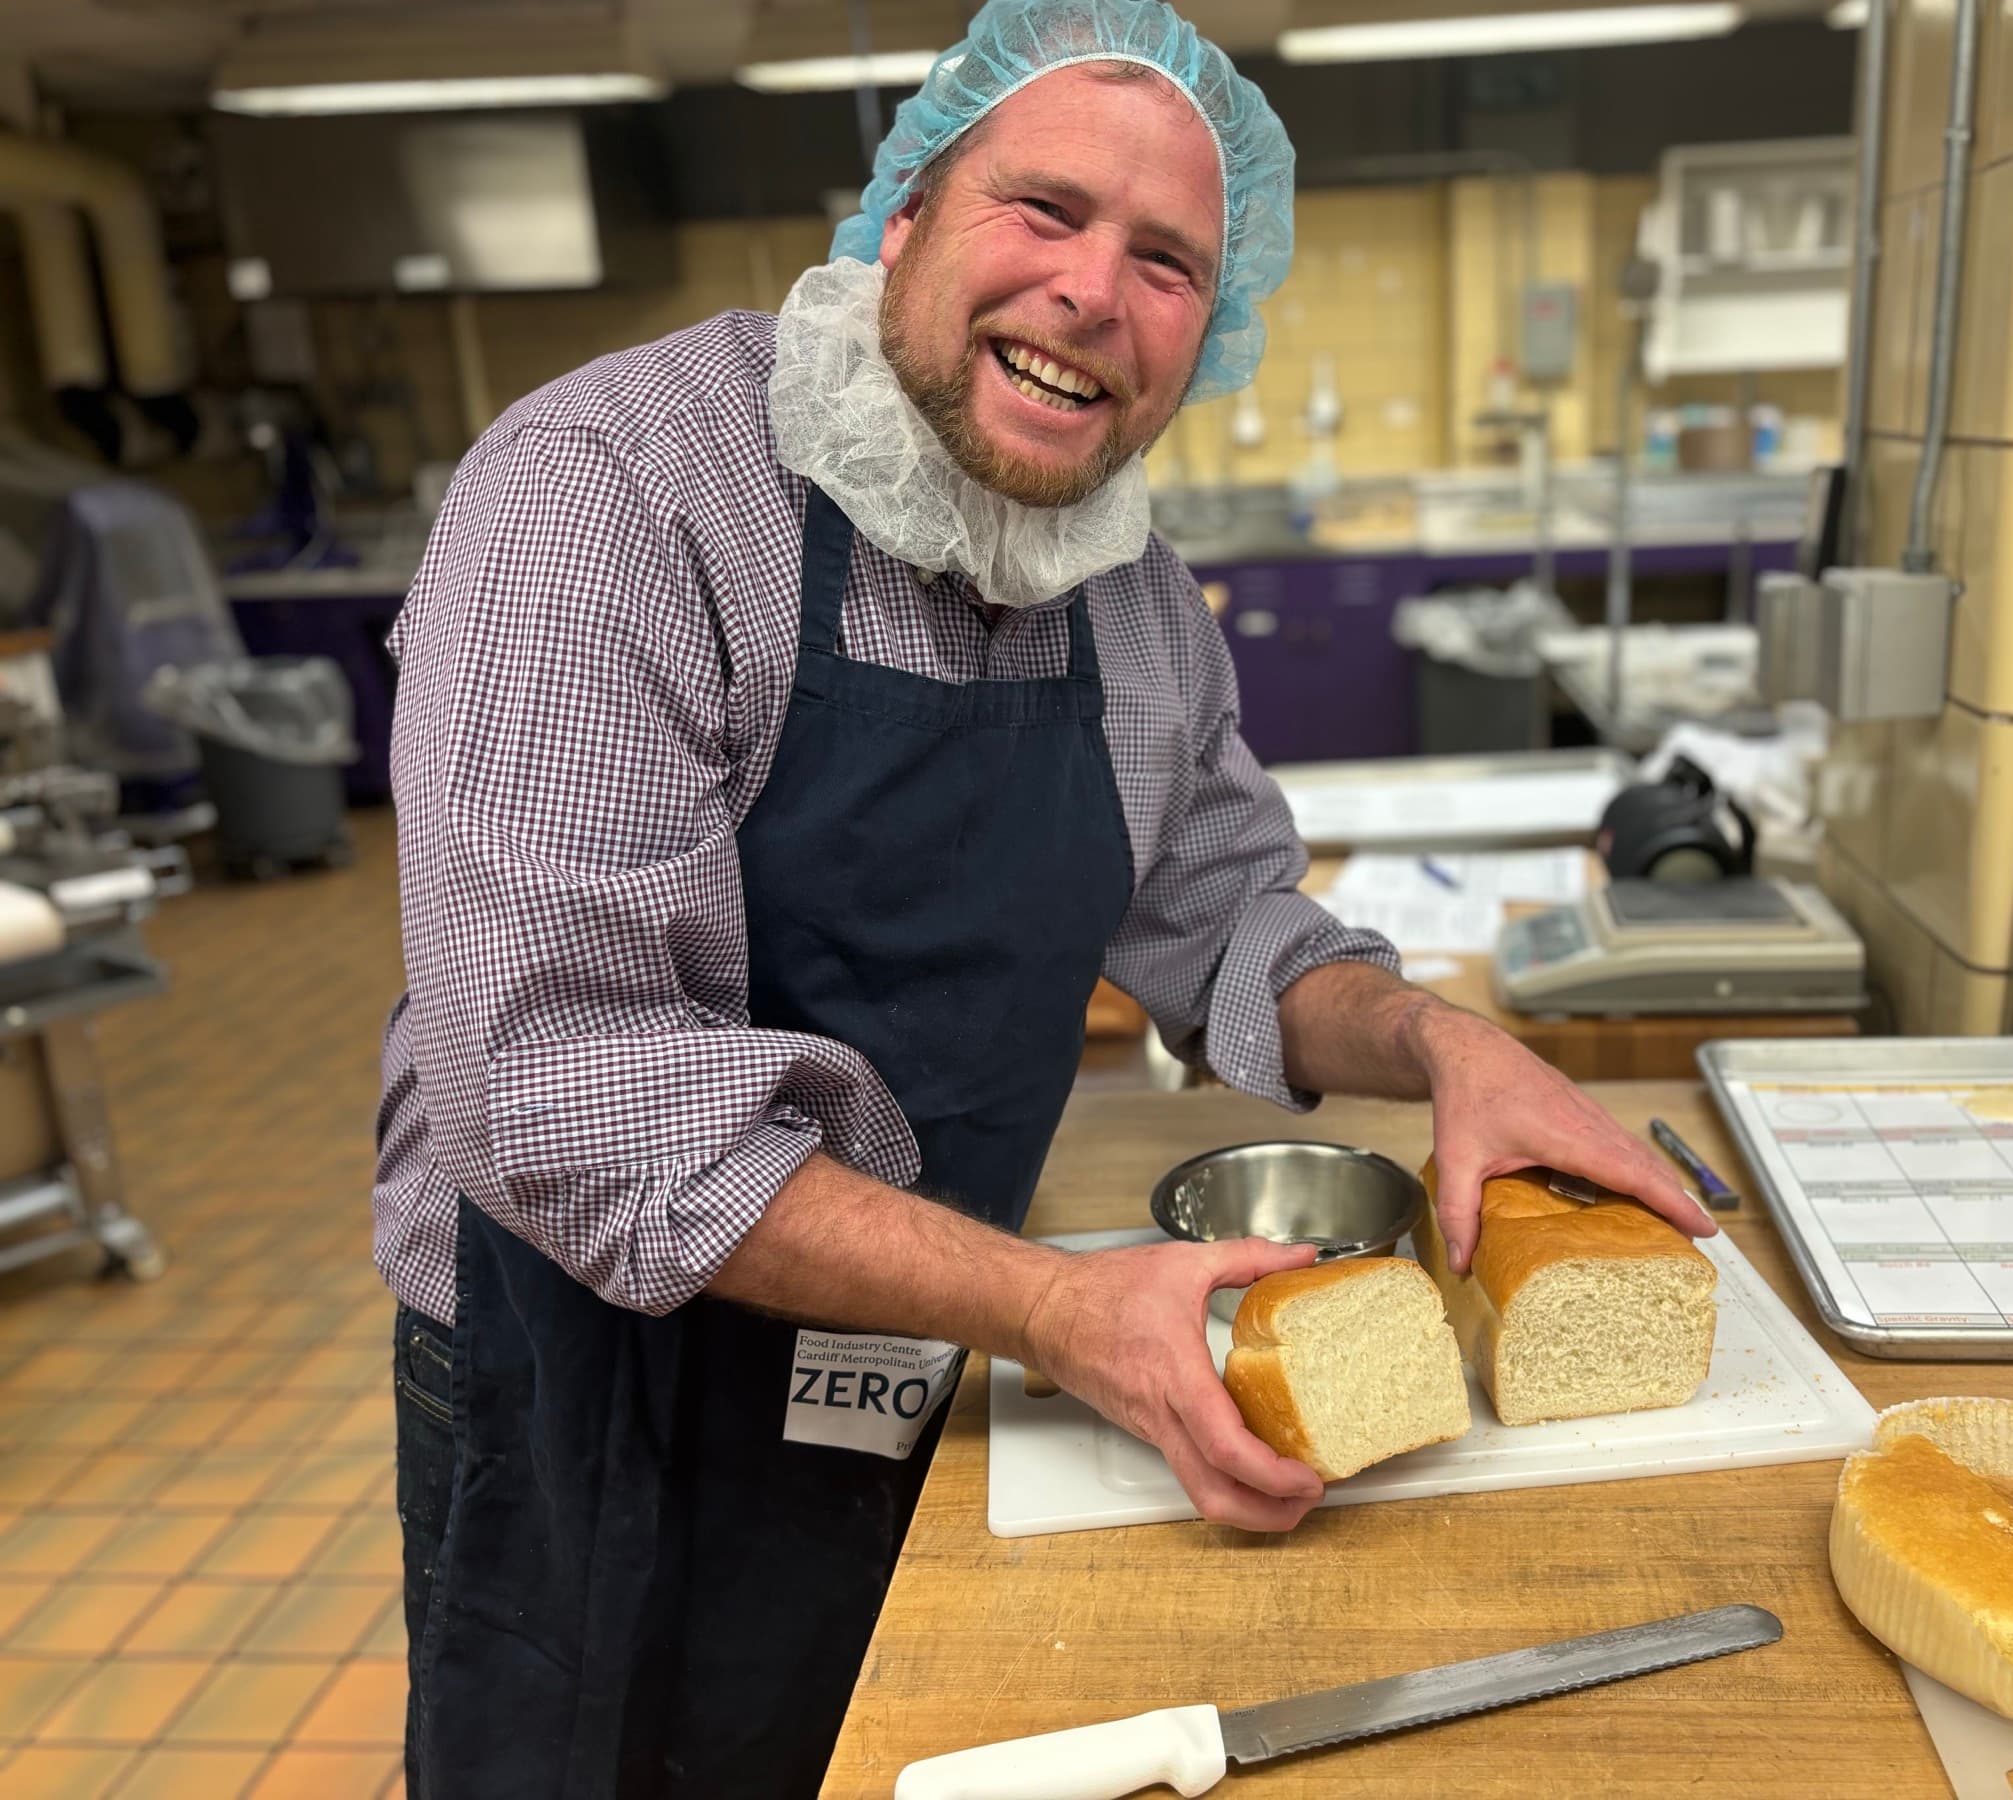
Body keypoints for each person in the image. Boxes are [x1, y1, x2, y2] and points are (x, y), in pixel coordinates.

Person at [373, 1, 1714, 1792]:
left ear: (1205, 335)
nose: (1096, 292)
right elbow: (560, 1095)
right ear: (905, 220)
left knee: (852, 1735)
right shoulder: (617, 498)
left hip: (910, 1329)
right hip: (589, 1376)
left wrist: (1440, 1042)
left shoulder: (1129, 594)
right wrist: (1059, 1308)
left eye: (1168, 261)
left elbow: (1230, 912)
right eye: (1047, 212)